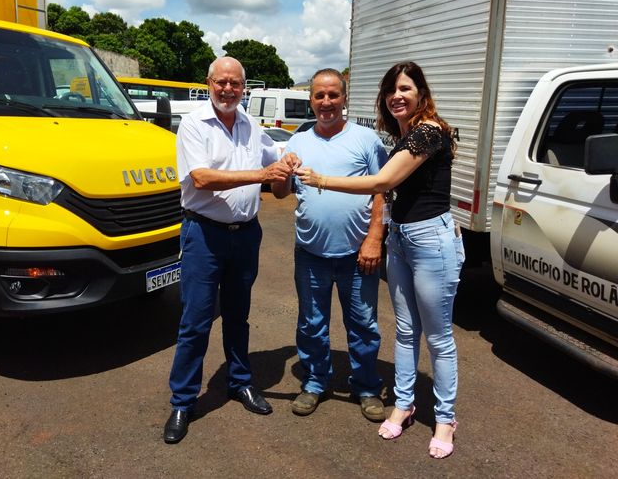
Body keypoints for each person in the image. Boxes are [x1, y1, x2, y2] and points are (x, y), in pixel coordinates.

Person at [295, 62, 465, 459]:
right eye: (391, 90)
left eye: (405, 89)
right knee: (405, 331)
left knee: (438, 338)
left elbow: (382, 183)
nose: (397, 96)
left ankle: (445, 419)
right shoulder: (403, 135)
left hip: (430, 241)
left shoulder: (428, 131)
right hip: (402, 240)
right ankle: (404, 405)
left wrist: (322, 181)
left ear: (421, 93)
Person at [164, 56, 293, 444]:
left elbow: (277, 171)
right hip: (204, 235)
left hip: (246, 235)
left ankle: (239, 382)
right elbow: (201, 178)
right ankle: (183, 401)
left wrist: (286, 166)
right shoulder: (194, 124)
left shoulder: (251, 125)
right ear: (209, 83)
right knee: (196, 321)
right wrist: (264, 174)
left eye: (235, 84)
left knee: (239, 316)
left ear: (244, 88)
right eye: (221, 82)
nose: (227, 89)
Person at [272, 68, 388, 422]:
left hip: (358, 254)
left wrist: (374, 238)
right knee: (311, 324)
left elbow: (382, 190)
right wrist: (281, 170)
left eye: (333, 95)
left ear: (344, 98)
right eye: (319, 95)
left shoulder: (366, 139)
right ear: (311, 100)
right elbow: (280, 193)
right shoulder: (298, 142)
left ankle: (366, 386)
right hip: (311, 253)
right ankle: (314, 382)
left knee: (363, 324)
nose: (326, 102)